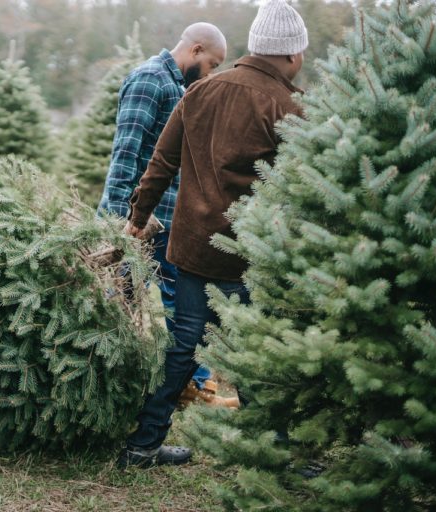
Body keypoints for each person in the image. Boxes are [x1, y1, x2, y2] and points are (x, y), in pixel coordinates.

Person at [117, 0, 308, 468]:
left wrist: (137, 218)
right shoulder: (288, 107)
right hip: (248, 254)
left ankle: (142, 446)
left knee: (182, 344)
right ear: (290, 54)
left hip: (190, 248)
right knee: (254, 350)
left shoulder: (201, 91)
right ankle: (273, 453)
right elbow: (302, 189)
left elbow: (160, 163)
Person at [99, 22, 227, 397]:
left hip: (168, 218)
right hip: (139, 219)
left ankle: (196, 384)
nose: (212, 72)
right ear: (197, 50)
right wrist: (121, 219)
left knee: (184, 302)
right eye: (213, 64)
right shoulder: (149, 81)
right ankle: (113, 383)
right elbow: (125, 152)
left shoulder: (176, 87)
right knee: (119, 298)